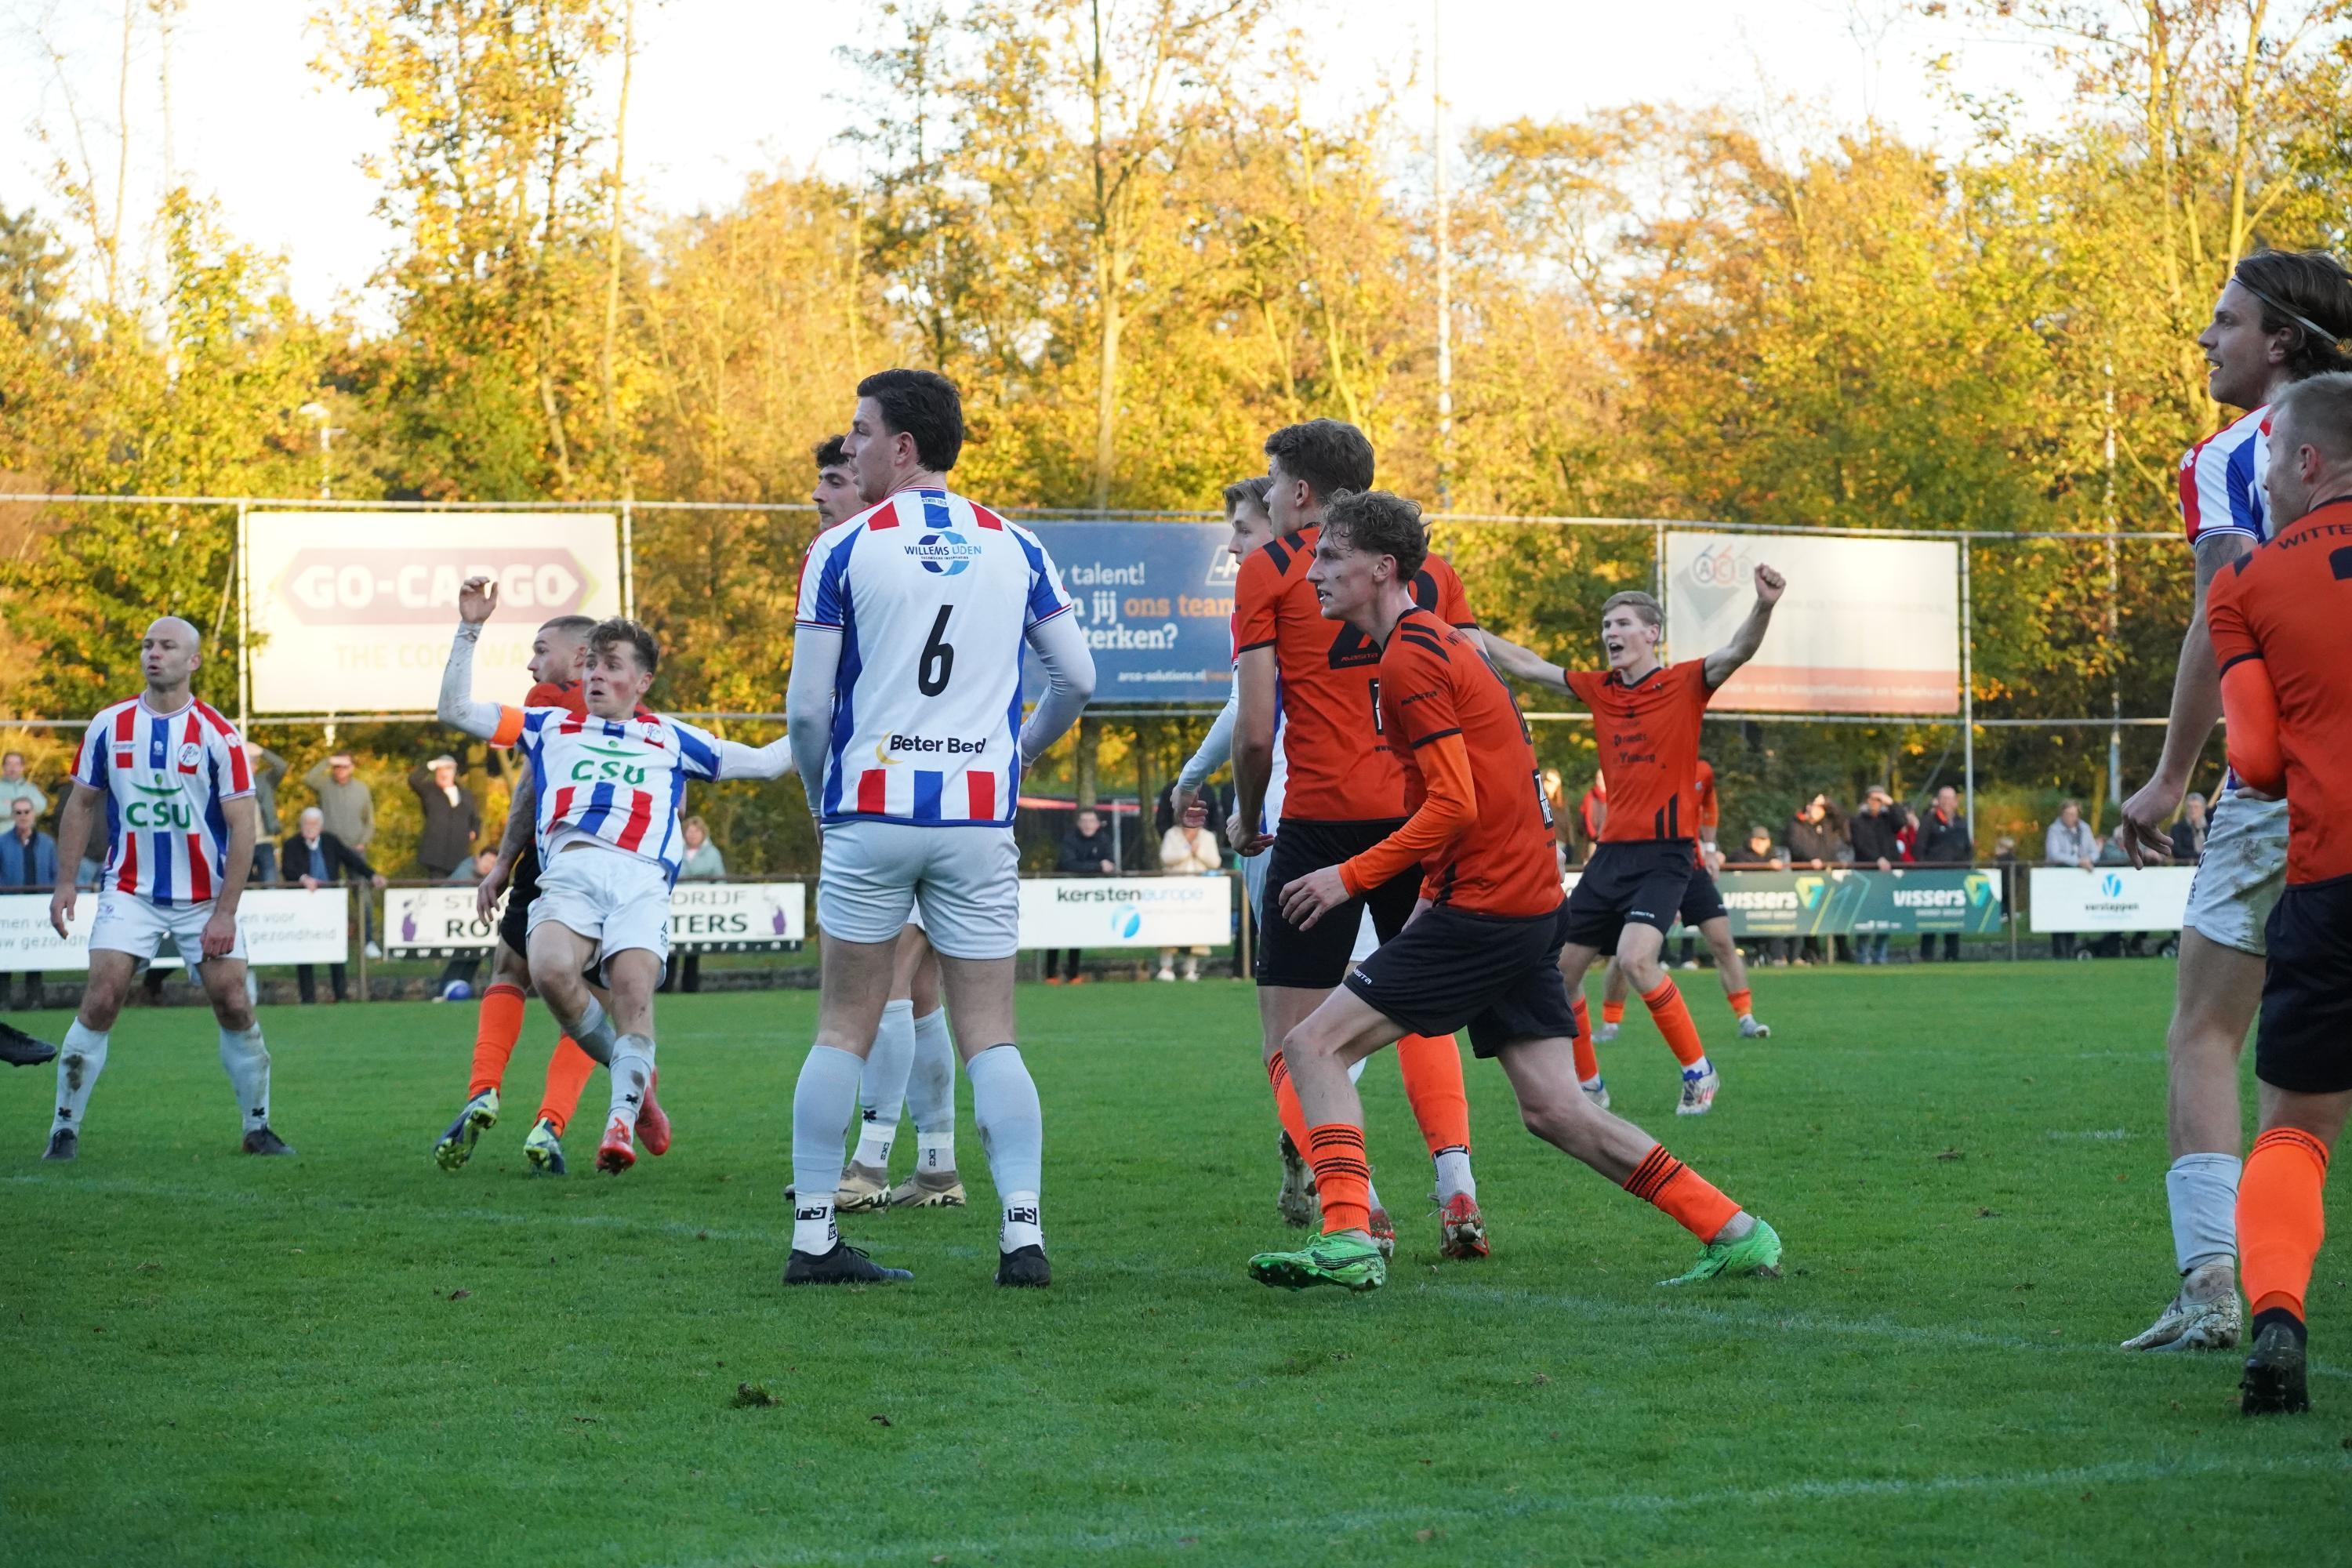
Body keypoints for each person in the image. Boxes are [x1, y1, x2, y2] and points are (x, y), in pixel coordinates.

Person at [1244, 491, 1784, 1294]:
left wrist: (1347, 876)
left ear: (1381, 569)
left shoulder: (1410, 658)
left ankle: (1349, 1234)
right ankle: (1734, 1229)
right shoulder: (1432, 644)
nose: (1312, 571)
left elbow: (1454, 804)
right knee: (1555, 1110)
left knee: (1309, 1046)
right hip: (1523, 902)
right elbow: (1476, 797)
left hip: (1490, 905)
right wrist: (1426, 897)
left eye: (1329, 556)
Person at [782, 367, 1094, 1287]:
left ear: (904, 445)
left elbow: (806, 711)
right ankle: (1023, 1235)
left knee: (842, 1026)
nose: (850, 447)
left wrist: (820, 798)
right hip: (975, 817)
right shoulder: (1017, 544)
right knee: (990, 1033)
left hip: (870, 811)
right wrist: (1019, 751)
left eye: (860, 430)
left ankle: (813, 1238)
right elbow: (1077, 678)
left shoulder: (843, 547)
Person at [2113, 251, 2352, 1356]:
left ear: (2282, 341)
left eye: (2227, 321)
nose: (2207, 340)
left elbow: (2224, 612)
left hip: (2291, 779)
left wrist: (2170, 776)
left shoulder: (2231, 455)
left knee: (2207, 1028)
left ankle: (2217, 1281)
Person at [1229, 419, 1490, 1261]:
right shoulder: (1430, 571)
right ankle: (1456, 1184)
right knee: (1418, 1008)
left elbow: (1255, 733)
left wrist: (1247, 815)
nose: (1271, 497)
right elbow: (1476, 691)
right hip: (1421, 816)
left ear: (1301, 491)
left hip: (1322, 819)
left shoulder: (1272, 567)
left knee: (1289, 1036)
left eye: (1275, 483)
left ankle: (1360, 1199)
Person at [440, 579, 794, 1179]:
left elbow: (766, 762)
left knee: (631, 994)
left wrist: (831, 713)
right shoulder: (549, 726)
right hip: (569, 877)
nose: (597, 676)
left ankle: (621, 1121)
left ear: (643, 681)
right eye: (593, 665)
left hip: (639, 885)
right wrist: (470, 628)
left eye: (612, 666)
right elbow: (455, 711)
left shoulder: (672, 737)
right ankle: (640, 1092)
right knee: (550, 972)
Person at [1486, 566, 1784, 1114]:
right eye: (1606, 625)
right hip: (1611, 858)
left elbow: (1739, 650)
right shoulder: (1600, 689)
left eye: (1622, 623)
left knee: (1636, 959)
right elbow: (1527, 664)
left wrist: (1764, 604)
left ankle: (1700, 1073)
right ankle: (1589, 1086)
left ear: (1652, 632)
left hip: (1665, 855)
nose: (1610, 633)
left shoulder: (1686, 682)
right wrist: (1462, 628)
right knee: (1561, 974)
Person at [2201, 368, 2352, 1412]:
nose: (2263, 485)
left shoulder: (2245, 584)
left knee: (2295, 1129)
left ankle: (2278, 1321)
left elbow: (2254, 763)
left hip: (2330, 881)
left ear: (2308, 460)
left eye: (2270, 465)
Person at [40, 617, 291, 1160]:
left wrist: (225, 912)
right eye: (147, 644)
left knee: (233, 1001)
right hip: (130, 889)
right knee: (102, 997)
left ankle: (258, 1127)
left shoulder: (219, 735)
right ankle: (63, 1128)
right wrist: (65, 883)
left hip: (204, 897)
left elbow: (244, 828)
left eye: (167, 646)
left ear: (193, 661)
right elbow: (80, 804)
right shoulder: (109, 725)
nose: (153, 653)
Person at [799, 432, 969, 1218]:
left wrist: (822, 795)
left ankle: (868, 1162)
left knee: (888, 982)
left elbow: (819, 704)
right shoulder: (879, 557)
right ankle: (936, 1165)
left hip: (893, 801)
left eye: (836, 478)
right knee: (922, 990)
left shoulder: (860, 557)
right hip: (953, 800)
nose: (822, 494)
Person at [433, 612, 654, 1178]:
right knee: (588, 1003)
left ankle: (484, 1089)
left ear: (580, 658)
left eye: (540, 650)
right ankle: (551, 1124)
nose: (532, 665)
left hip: (552, 861)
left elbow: (530, 789)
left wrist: (504, 863)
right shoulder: (643, 719)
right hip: (622, 873)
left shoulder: (548, 702)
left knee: (509, 971)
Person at [281, 804, 385, 1004]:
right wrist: (303, 878)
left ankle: (341, 995)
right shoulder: (291, 844)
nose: (310, 828)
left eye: (314, 824)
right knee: (305, 949)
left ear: (320, 826)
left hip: (330, 903)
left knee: (335, 947)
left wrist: (372, 875)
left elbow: (352, 860)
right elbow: (287, 868)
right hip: (304, 904)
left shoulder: (330, 841)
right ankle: (308, 998)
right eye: (306, 824)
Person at [304, 752, 379, 956]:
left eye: (344, 766)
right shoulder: (325, 785)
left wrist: (363, 842)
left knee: (362, 894)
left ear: (352, 768)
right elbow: (309, 778)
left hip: (355, 849)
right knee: (328, 893)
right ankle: (328, 937)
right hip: (330, 849)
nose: (340, 770)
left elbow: (369, 820)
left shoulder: (361, 789)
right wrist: (328, 761)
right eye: (337, 766)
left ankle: (368, 941)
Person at [1046, 806, 1116, 982]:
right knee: (1056, 931)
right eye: (1084, 821)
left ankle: (1074, 974)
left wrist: (1098, 867)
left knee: (1077, 931)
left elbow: (1110, 864)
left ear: (1098, 824)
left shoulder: (1104, 840)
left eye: (1091, 821)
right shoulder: (1069, 840)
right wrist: (1097, 866)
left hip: (1088, 895)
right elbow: (1069, 864)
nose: (1087, 825)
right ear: (1078, 823)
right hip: (1063, 893)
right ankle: (1051, 974)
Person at [3, 795, 60, 1007]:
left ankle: (35, 999)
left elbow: (55, 872)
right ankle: (3, 1000)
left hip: (38, 905)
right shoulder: (2, 843)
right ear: (13, 815)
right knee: (6, 953)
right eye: (18, 812)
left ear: (33, 814)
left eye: (27, 812)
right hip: (9, 906)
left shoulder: (47, 843)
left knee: (36, 953)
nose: (23, 816)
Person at [661, 815, 726, 996]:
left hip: (701, 909)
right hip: (675, 908)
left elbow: (720, 880)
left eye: (696, 832)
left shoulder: (712, 854)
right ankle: (666, 986)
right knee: (671, 948)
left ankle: (690, 987)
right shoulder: (674, 849)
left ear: (703, 833)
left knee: (693, 950)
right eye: (690, 831)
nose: (693, 835)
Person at [1158, 807, 1221, 982]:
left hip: (1199, 892)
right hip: (1174, 891)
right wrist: (1187, 851)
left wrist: (1198, 852)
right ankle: (1166, 967)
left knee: (1196, 929)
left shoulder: (1207, 837)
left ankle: (1190, 969)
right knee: (1169, 928)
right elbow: (1166, 857)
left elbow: (1215, 862)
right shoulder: (1171, 834)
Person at [1913, 785, 1973, 961]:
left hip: (1955, 876)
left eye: (1950, 798)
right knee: (1930, 917)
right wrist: (1925, 870)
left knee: (1954, 917)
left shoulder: (1961, 823)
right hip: (1933, 876)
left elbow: (1967, 848)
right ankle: (1926, 955)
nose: (1947, 802)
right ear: (1938, 801)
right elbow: (1919, 848)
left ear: (1955, 802)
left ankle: (1952, 954)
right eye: (1943, 798)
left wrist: (1965, 869)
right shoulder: (1928, 821)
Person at [1849, 786, 1904, 964]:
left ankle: (1881, 952)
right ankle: (1863, 953)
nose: (1875, 803)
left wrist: (1891, 803)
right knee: (1866, 915)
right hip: (1867, 874)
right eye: (1873, 799)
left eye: (1879, 800)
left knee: (1886, 915)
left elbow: (1901, 822)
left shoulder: (1888, 819)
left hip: (1887, 876)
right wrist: (1877, 860)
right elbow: (1860, 845)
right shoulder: (1858, 821)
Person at [408, 753, 481, 880]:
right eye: (440, 770)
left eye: (447, 769)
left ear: (454, 772)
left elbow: (475, 818)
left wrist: (475, 831)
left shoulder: (466, 794)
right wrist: (431, 765)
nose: (443, 773)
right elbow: (413, 780)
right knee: (438, 887)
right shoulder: (429, 790)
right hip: (436, 856)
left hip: (459, 853)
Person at [2044, 800, 2096, 961]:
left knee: (2073, 914)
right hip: (2059, 878)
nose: (2072, 818)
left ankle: (2070, 951)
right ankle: (2060, 953)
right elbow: (2054, 854)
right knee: (2059, 915)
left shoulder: (2084, 829)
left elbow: (2094, 851)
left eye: (2074, 814)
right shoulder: (2054, 830)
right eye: (2068, 814)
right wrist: (2078, 862)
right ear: (2062, 814)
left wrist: (2088, 860)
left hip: (2078, 879)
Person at [245, 743, 286, 888]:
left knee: (271, 885)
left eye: (253, 763)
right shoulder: (230, 783)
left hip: (264, 842)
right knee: (241, 887)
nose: (253, 766)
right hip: (240, 843)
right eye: (249, 762)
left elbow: (281, 766)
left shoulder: (264, 781)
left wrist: (262, 752)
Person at [0, 750, 50, 818]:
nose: (13, 767)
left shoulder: (31, 788)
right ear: (3, 766)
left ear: (22, 767)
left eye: (17, 764)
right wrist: (27, 806)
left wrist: (13, 803)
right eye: (9, 764)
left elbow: (41, 806)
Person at [2171, 792, 2209, 865]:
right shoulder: (2177, 829)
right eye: (2190, 807)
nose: (2193, 810)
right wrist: (2201, 856)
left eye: (2196, 807)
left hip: (2208, 865)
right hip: (2185, 867)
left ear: (2203, 810)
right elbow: (2177, 851)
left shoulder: (2210, 828)